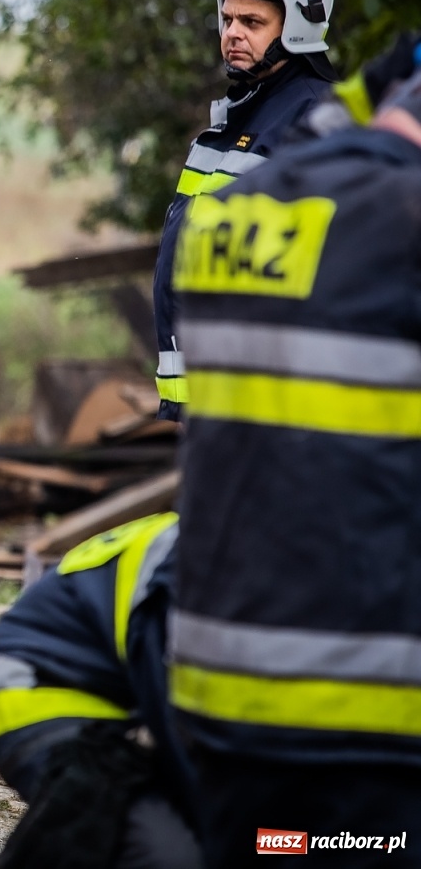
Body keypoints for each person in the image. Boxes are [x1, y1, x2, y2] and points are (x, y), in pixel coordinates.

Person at [168, 59, 421, 865]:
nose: (233, 33)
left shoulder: (239, 213)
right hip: (372, 713)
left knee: (274, 850)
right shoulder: (397, 226)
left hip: (220, 687)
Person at [150, 0, 336, 419]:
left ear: (297, 24)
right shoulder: (238, 118)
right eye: (228, 18)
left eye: (252, 21)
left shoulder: (317, 121)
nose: (231, 33)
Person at [0, 513, 201, 868]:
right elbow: (179, 734)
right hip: (38, 687)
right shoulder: (195, 571)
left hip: (133, 696)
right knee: (170, 852)